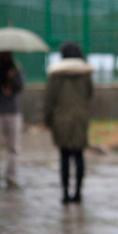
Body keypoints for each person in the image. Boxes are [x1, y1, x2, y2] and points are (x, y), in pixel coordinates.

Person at [43, 42, 94, 204]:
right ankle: (78, 193)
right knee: (79, 155)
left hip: (61, 119)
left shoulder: (55, 74)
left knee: (64, 155)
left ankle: (65, 193)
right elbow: (90, 93)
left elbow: (49, 99)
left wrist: (47, 119)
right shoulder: (85, 72)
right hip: (80, 118)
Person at [0, 51, 24, 188]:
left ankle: (11, 177)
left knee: (13, 148)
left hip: (13, 112)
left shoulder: (16, 67)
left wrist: (12, 78)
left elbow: (20, 87)